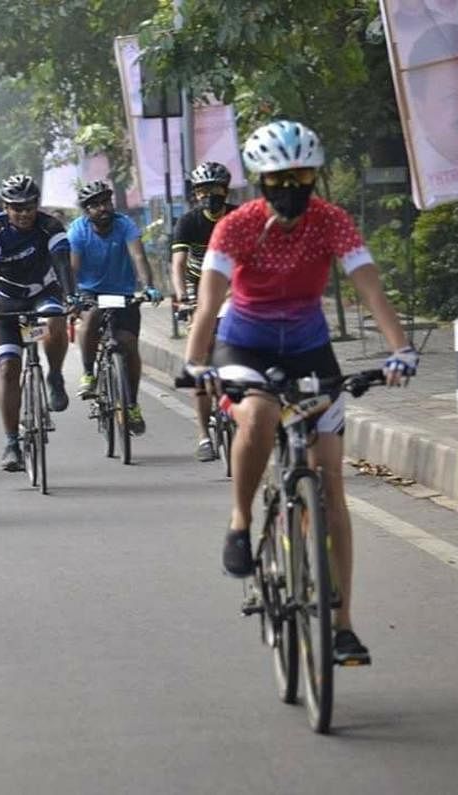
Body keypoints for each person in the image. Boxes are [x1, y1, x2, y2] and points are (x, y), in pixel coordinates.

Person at [182, 120, 419, 665]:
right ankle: (241, 521)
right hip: (245, 345)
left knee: (331, 486)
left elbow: (369, 287)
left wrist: (400, 348)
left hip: (310, 350)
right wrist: (196, 364)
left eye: (303, 176)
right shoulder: (235, 227)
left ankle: (341, 623)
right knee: (260, 414)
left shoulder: (332, 221)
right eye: (278, 178)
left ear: (315, 177)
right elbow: (207, 303)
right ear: (259, 181)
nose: (290, 188)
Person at [0, 173, 76, 471]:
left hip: (42, 292)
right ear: (5, 207)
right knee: (8, 368)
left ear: (37, 205)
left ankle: (55, 375)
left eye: (29, 207)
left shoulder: (50, 226)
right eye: (16, 208)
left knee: (55, 318)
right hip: (6, 299)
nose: (23, 214)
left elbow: (62, 264)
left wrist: (71, 298)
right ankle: (11, 441)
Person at [68, 179, 162, 434]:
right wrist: (72, 296)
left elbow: (138, 257)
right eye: (95, 205)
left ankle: (131, 404)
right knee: (92, 317)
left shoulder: (125, 225)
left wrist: (148, 286)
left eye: (106, 202)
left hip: (122, 292)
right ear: (86, 210)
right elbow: (72, 268)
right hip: (90, 291)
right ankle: (89, 373)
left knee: (128, 344)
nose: (103, 208)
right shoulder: (77, 230)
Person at [170, 161, 239, 462]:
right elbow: (178, 264)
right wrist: (183, 296)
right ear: (195, 195)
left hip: (235, 289)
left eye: (215, 189)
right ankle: (202, 435)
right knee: (197, 362)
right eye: (202, 191)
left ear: (225, 190)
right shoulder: (188, 222)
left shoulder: (239, 218)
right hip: (199, 293)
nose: (209, 196)